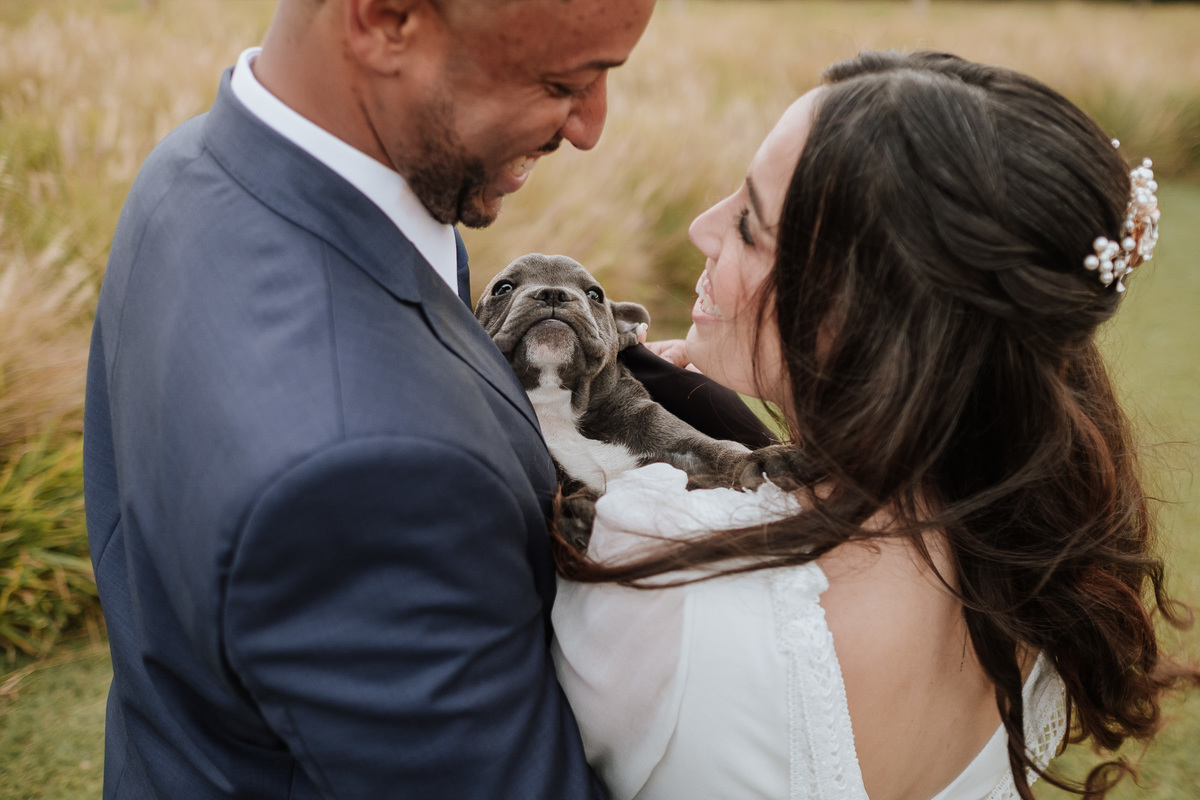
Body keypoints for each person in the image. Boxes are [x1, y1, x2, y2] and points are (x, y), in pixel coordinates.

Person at [552, 51, 1199, 800]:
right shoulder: (1039, 564)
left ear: (869, 321)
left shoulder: (664, 566)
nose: (701, 228)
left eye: (750, 227)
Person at [82, 0, 671, 796]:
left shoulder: (194, 166)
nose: (592, 126)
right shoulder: (362, 471)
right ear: (385, 20)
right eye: (562, 83)